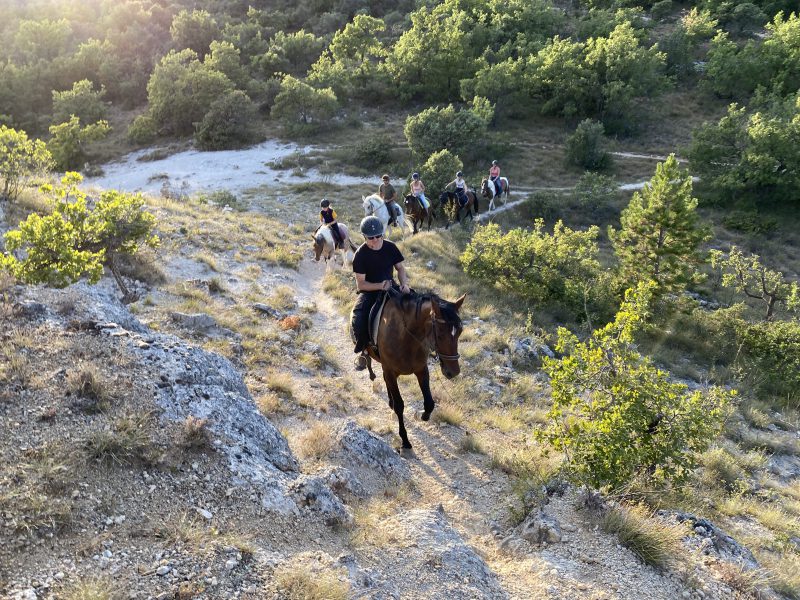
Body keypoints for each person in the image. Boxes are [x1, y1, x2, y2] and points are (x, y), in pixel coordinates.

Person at [350, 215, 411, 370]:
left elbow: (400, 268)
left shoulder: (390, 247)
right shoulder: (360, 255)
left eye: (378, 236)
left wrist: (404, 284)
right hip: (370, 291)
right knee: (358, 317)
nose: (375, 240)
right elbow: (361, 284)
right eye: (371, 237)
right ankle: (364, 350)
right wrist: (379, 286)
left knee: (416, 306)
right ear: (364, 236)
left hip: (392, 287)